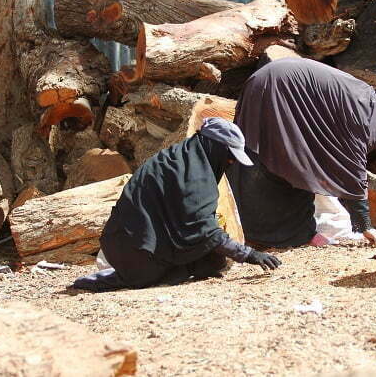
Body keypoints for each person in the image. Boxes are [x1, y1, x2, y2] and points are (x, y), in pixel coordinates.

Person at [73, 117, 281, 292]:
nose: (231, 163)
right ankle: (120, 278)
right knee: (185, 267)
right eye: (229, 157)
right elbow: (203, 229)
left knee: (211, 261)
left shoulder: (182, 158)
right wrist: (248, 254)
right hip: (135, 251)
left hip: (126, 244)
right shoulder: (194, 176)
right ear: (216, 148)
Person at [229, 58, 376, 249]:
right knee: (291, 166)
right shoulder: (364, 119)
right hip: (281, 89)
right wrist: (363, 225)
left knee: (262, 158)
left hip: (263, 81)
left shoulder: (365, 97)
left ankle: (246, 228)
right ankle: (282, 235)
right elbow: (353, 171)